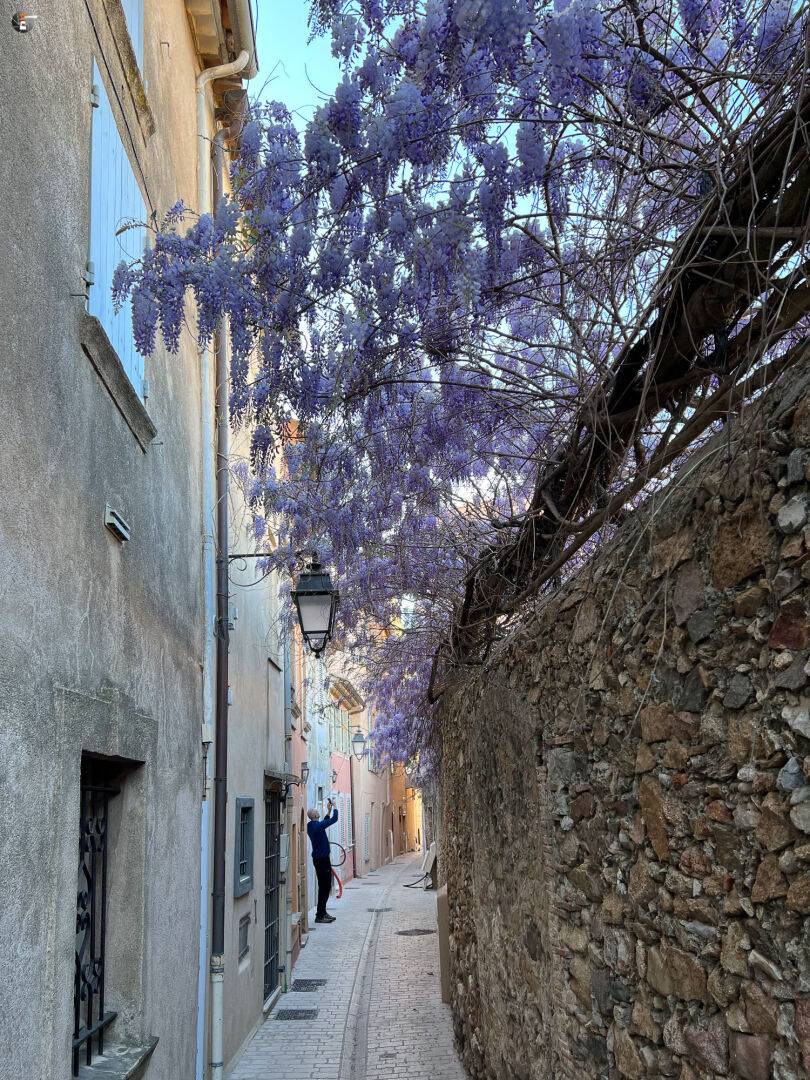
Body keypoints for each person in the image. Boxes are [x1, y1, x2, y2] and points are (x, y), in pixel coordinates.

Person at [307, 798, 338, 924]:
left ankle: (322, 912)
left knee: (324, 887)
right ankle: (320, 915)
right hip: (322, 860)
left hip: (319, 860)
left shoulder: (312, 826)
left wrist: (328, 812)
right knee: (324, 887)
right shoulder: (317, 826)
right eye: (317, 812)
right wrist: (335, 807)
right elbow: (334, 820)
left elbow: (324, 823)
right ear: (315, 815)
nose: (318, 812)